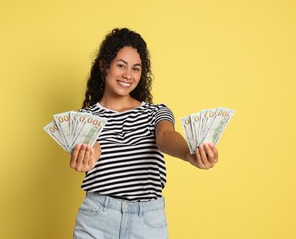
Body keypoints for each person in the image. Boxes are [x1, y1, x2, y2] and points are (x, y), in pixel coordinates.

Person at [70, 28, 218, 239]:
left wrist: (188, 153)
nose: (128, 75)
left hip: (147, 221)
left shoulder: (156, 112)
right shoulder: (84, 118)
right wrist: (86, 157)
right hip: (97, 219)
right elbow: (93, 146)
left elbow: (166, 137)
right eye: (121, 65)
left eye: (136, 69)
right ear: (104, 65)